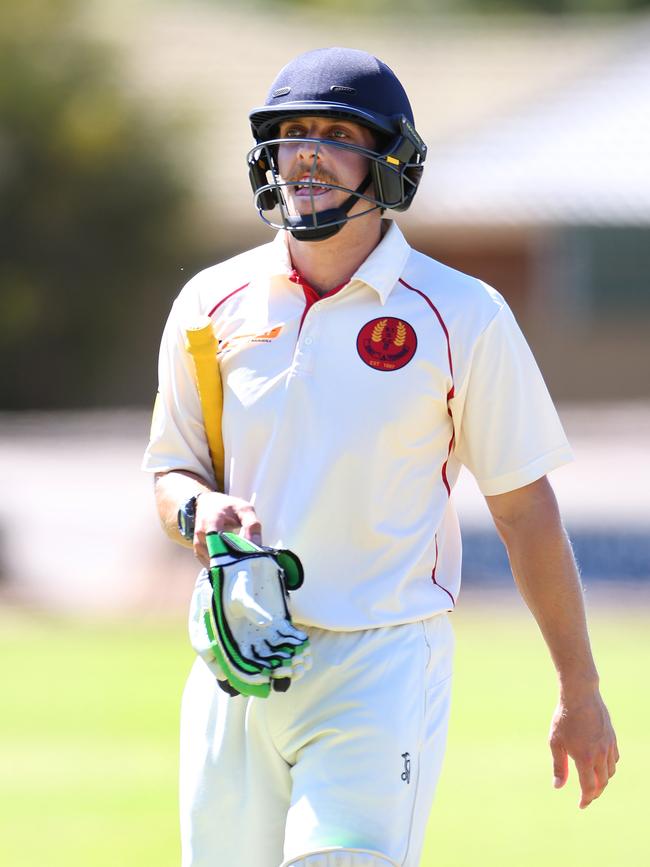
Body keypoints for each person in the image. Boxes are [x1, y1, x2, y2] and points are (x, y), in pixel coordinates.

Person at [143, 47, 618, 867]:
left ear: (393, 161)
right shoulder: (208, 304)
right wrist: (199, 508)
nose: (308, 153)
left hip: (381, 660)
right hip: (235, 657)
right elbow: (170, 473)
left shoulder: (461, 314)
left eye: (335, 133)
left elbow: (523, 507)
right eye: (291, 134)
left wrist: (580, 688)